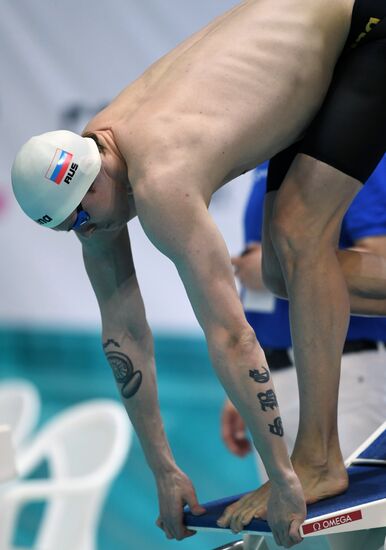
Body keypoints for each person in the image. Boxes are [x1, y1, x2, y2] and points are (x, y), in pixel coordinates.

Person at [10, 0, 386, 546]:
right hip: (325, 52)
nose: (87, 236)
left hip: (366, 28)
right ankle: (314, 458)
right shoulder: (96, 164)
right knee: (285, 273)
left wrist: (282, 478)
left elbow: (232, 335)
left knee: (299, 236)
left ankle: (317, 459)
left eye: (83, 221)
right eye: (69, 230)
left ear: (92, 183)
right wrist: (163, 467)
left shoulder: (161, 178)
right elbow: (124, 333)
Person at [222, 159, 386, 549]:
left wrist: (275, 270)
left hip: (347, 378)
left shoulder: (352, 153)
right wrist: (246, 382)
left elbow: (380, 259)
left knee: (354, 545)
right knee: (277, 534)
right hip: (272, 382)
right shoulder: (269, 160)